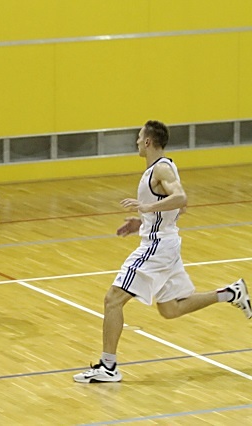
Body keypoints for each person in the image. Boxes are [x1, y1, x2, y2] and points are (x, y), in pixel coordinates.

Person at [73, 120, 251, 383]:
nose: (136, 141)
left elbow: (181, 199)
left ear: (148, 141)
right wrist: (142, 223)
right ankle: (230, 293)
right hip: (165, 242)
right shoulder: (155, 171)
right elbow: (177, 209)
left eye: (139, 137)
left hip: (157, 246)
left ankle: (108, 367)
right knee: (170, 309)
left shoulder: (162, 168)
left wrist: (144, 210)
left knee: (113, 299)